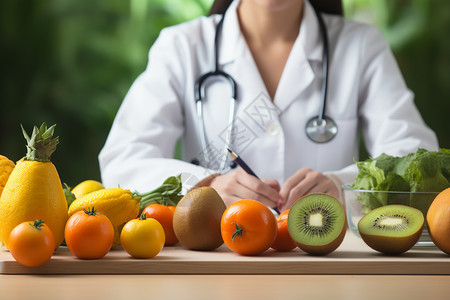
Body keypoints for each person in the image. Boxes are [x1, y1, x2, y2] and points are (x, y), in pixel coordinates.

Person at [99, 0, 438, 212]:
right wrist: (205, 185)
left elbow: (417, 156)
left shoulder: (361, 46)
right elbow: (123, 160)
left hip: (327, 264)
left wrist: (343, 185)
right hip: (217, 264)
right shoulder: (181, 47)